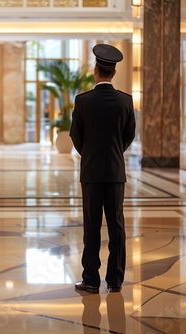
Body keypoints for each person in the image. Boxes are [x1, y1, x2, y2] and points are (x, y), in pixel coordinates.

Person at [70, 44, 136, 294]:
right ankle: (116, 280)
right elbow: (129, 135)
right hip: (116, 173)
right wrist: (115, 154)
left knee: (92, 225)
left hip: (91, 172)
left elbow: (76, 136)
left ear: (96, 71)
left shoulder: (83, 100)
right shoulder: (126, 101)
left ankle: (90, 280)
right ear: (114, 73)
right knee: (117, 225)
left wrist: (90, 155)